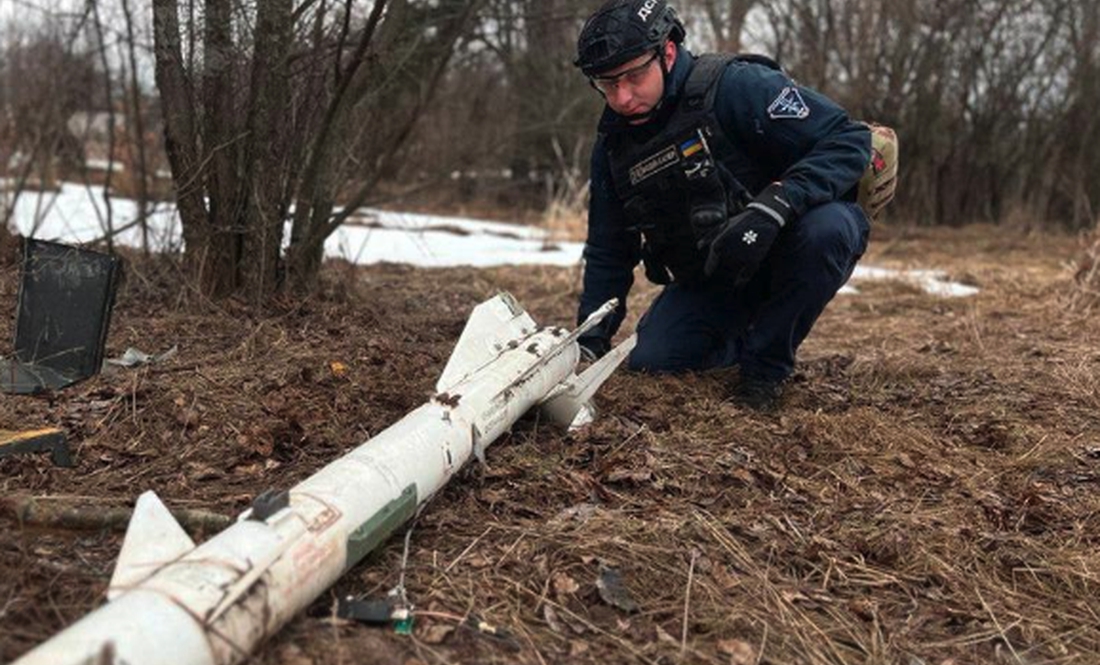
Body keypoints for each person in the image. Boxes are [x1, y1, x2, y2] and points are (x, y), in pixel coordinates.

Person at [573, 0, 872, 411]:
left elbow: (849, 139)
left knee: (828, 229)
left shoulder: (736, 86)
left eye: (634, 76)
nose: (623, 97)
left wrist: (778, 202)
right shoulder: (613, 147)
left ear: (669, 53)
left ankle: (765, 368)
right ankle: (744, 334)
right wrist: (589, 341)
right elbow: (608, 249)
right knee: (653, 361)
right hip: (715, 275)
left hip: (791, 244)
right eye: (607, 84)